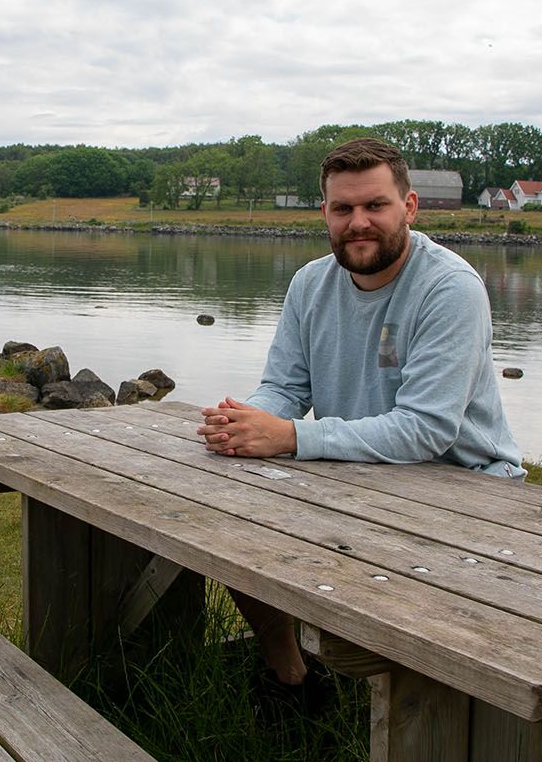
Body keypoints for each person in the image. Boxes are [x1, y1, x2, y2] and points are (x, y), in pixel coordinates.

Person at [196, 137, 524, 693]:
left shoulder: (450, 289)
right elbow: (285, 386)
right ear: (324, 212)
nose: (358, 223)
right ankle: (292, 680)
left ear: (409, 207)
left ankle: (378, 691)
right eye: (343, 208)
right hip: (359, 475)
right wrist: (245, 422)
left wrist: (290, 437)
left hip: (467, 487)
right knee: (230, 518)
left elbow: (426, 429)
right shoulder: (310, 283)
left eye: (375, 205)